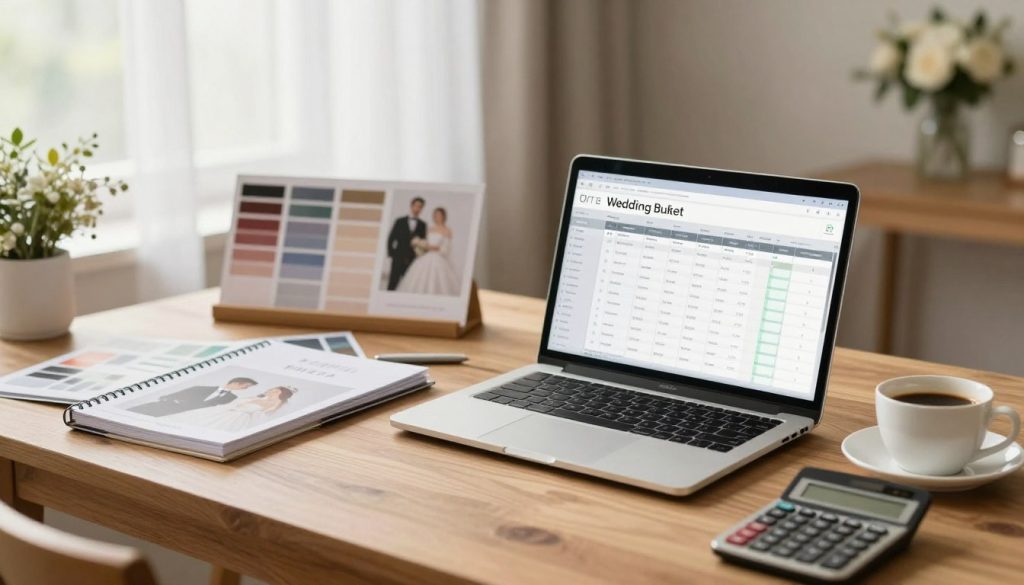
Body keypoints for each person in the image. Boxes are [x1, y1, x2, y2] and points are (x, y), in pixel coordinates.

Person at [163, 386, 298, 433]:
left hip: (237, 417)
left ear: (280, 394)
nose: (272, 392)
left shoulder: (274, 404)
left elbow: (263, 414)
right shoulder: (258, 397)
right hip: (226, 411)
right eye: (273, 390)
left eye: (275, 391)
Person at [397, 207, 460, 296]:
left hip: (438, 258)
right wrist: (421, 246)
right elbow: (426, 243)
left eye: (439, 215)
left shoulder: (447, 230)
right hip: (426, 256)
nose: (436, 217)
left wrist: (434, 248)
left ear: (443, 216)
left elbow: (446, 248)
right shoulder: (430, 229)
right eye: (435, 215)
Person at [125, 376, 257, 417]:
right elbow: (168, 396)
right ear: (235, 383)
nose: (245, 389)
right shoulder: (200, 388)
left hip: (181, 418)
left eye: (247, 388)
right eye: (245, 386)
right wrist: (172, 401)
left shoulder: (231, 399)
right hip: (163, 407)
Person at [386, 197, 427, 290]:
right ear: (411, 206)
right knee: (393, 283)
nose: (418, 208)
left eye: (420, 207)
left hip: (412, 260)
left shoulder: (423, 225)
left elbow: (423, 242)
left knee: (408, 285)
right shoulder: (399, 221)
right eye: (416, 206)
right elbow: (391, 238)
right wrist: (392, 254)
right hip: (398, 258)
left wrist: (418, 256)